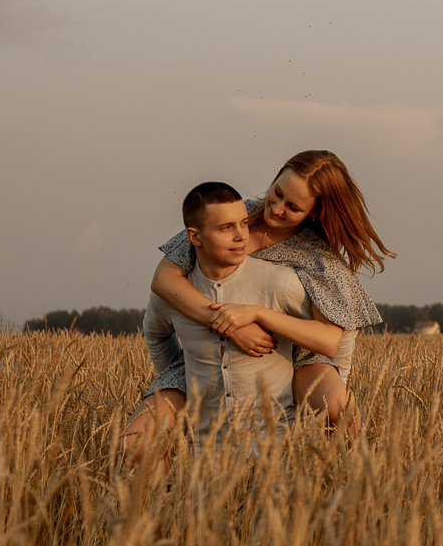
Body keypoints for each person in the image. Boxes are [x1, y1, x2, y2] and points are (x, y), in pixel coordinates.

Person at [145, 149, 388, 430]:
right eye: (278, 192)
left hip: (296, 356)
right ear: (276, 177)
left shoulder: (318, 258)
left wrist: (257, 314)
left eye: (293, 207)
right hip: (209, 349)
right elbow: (164, 278)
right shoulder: (236, 213)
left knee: (338, 411)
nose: (277, 208)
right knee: (137, 440)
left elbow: (328, 341)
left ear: (315, 212)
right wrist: (229, 326)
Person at [130, 181, 344, 455]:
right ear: (194, 237)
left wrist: (333, 379)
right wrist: (182, 382)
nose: (241, 236)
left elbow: (330, 336)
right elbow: (156, 334)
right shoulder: (175, 293)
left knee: (340, 409)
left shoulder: (281, 282)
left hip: (274, 449)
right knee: (132, 447)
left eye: (244, 223)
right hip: (202, 452)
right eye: (226, 228)